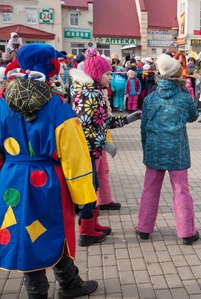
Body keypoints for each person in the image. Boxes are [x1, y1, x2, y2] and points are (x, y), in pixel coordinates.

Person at [0, 43, 99, 299]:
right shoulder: (57, 106)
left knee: (25, 232)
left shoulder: (0, 103)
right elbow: (74, 157)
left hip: (11, 179)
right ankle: (50, 289)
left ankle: (65, 283)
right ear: (51, 66)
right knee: (51, 229)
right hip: (47, 182)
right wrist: (84, 196)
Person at [69, 48, 141, 246]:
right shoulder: (88, 95)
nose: (110, 77)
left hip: (93, 150)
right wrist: (104, 143)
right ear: (95, 74)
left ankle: (93, 223)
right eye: (107, 74)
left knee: (95, 185)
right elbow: (83, 128)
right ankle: (85, 231)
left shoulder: (96, 92)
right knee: (89, 188)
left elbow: (103, 121)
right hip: (87, 151)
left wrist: (127, 120)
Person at [136, 54, 200, 245]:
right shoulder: (184, 97)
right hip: (177, 151)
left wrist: (145, 149)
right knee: (181, 191)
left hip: (154, 150)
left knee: (150, 189)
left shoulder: (150, 98)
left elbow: (143, 127)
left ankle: (144, 228)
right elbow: (193, 116)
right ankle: (186, 233)